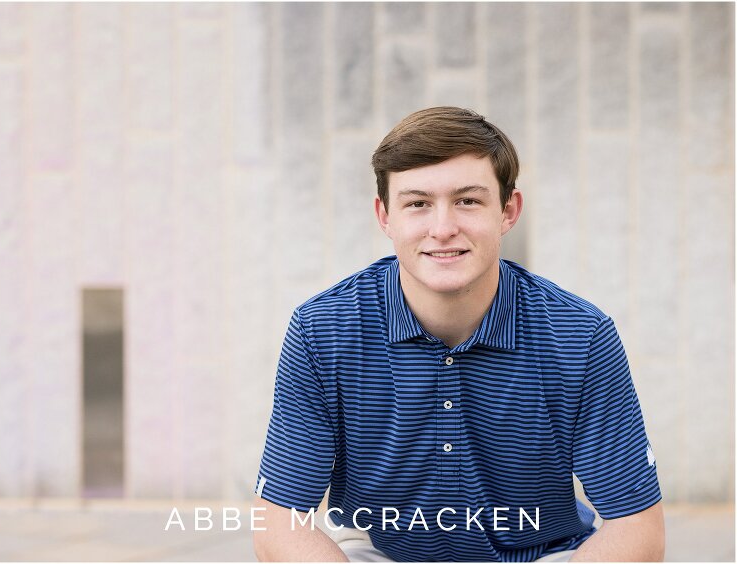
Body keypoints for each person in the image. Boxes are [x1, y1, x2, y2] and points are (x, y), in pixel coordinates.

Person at [252, 107, 664, 562]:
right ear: (385, 216)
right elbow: (278, 522)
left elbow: (636, 527)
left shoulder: (580, 335)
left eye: (468, 200)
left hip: (544, 554)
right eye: (417, 203)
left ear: (508, 212)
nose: (443, 228)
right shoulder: (322, 331)